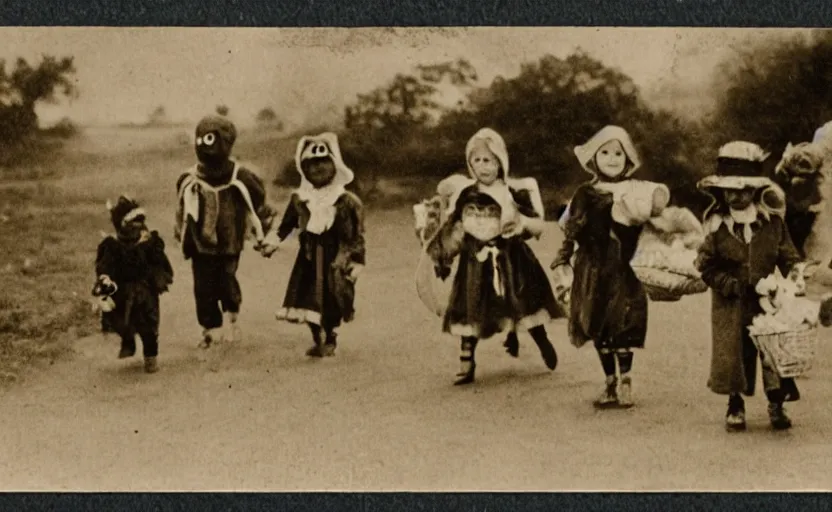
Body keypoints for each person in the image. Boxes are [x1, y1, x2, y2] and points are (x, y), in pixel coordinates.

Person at [425, 127, 562, 385]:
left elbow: (535, 223)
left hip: (512, 257)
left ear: (500, 162)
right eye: (475, 160)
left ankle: (541, 340)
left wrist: (521, 224)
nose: (482, 166)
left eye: (487, 160)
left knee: (524, 301)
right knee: (470, 305)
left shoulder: (512, 192)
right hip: (476, 260)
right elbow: (456, 226)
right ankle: (467, 360)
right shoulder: (467, 194)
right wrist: (443, 253)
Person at [551, 125, 669, 408]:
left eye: (619, 153)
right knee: (598, 325)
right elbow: (573, 229)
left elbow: (656, 218)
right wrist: (563, 255)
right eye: (605, 153)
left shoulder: (636, 192)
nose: (612, 159)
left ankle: (626, 380)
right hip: (592, 267)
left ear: (628, 159)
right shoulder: (585, 192)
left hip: (623, 267)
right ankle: (609, 383)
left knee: (624, 322)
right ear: (594, 158)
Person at [695, 141, 804, 431]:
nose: (736, 195)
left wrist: (795, 277)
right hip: (730, 303)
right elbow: (705, 266)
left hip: (767, 303)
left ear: (755, 190)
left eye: (743, 189)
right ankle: (735, 404)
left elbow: (789, 256)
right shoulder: (717, 227)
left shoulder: (772, 224)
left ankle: (776, 403)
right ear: (720, 191)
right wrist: (729, 284)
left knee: (772, 352)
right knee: (734, 354)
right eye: (729, 189)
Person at [174, 115, 277, 349]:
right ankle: (210, 328)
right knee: (202, 285)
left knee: (226, 279)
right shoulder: (191, 177)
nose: (207, 148)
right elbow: (182, 202)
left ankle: (231, 315)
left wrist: (250, 215)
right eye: (203, 141)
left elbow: (257, 194)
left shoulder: (238, 175)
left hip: (230, 241)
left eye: (213, 140)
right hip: (202, 242)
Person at [260, 132, 366, 358]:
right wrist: (272, 242)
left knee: (331, 298)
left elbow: (356, 236)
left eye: (323, 162)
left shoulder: (345, 201)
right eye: (311, 164)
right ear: (303, 169)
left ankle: (330, 337)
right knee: (307, 299)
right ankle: (317, 337)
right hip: (308, 256)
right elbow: (285, 226)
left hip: (334, 257)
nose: (317, 168)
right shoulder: (300, 198)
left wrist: (356, 261)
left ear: (335, 164)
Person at [92, 195, 174, 373]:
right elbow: (104, 266)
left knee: (149, 326)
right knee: (122, 322)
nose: (138, 227)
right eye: (133, 223)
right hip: (122, 291)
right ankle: (128, 340)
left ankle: (150, 357)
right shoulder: (112, 246)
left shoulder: (150, 242)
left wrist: (156, 272)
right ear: (122, 225)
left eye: (140, 222)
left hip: (145, 292)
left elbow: (160, 263)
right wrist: (105, 279)